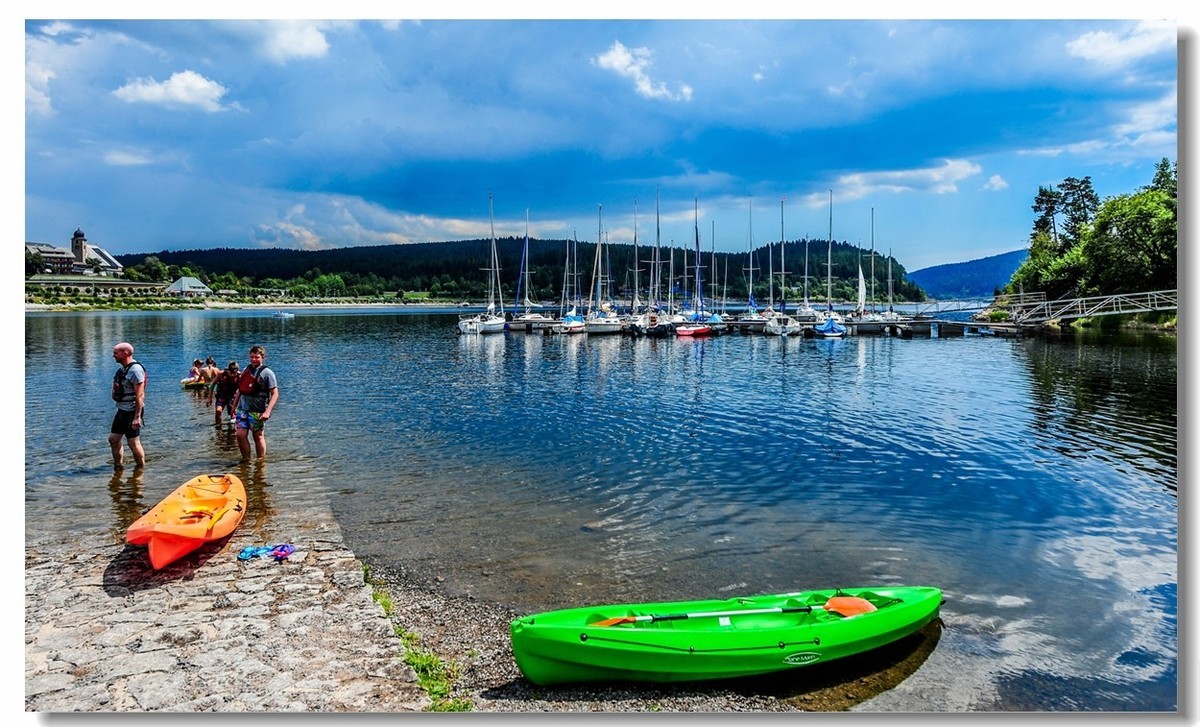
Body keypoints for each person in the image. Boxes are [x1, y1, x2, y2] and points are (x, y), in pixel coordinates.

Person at [230, 344, 278, 460]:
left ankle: (260, 461)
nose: (254, 360)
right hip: (243, 409)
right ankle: (246, 460)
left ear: (263, 357)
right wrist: (234, 406)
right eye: (252, 357)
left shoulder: (268, 373)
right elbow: (241, 390)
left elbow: (275, 394)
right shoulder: (247, 370)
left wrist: (267, 411)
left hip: (257, 411)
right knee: (240, 435)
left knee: (258, 436)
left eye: (256, 357)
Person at [109, 341, 146, 469]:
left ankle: (140, 468)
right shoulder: (124, 369)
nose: (113, 355)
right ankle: (118, 467)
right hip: (121, 410)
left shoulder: (135, 370)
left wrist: (137, 416)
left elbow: (140, 395)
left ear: (125, 353)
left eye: (115, 353)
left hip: (131, 411)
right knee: (113, 439)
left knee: (133, 443)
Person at [209, 360, 241, 426]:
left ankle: (232, 431)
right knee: (218, 411)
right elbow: (212, 384)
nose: (233, 375)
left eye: (234, 374)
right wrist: (209, 398)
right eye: (231, 373)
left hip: (232, 396)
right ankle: (218, 427)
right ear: (228, 371)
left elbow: (242, 389)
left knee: (232, 416)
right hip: (221, 395)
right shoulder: (221, 374)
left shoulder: (239, 376)